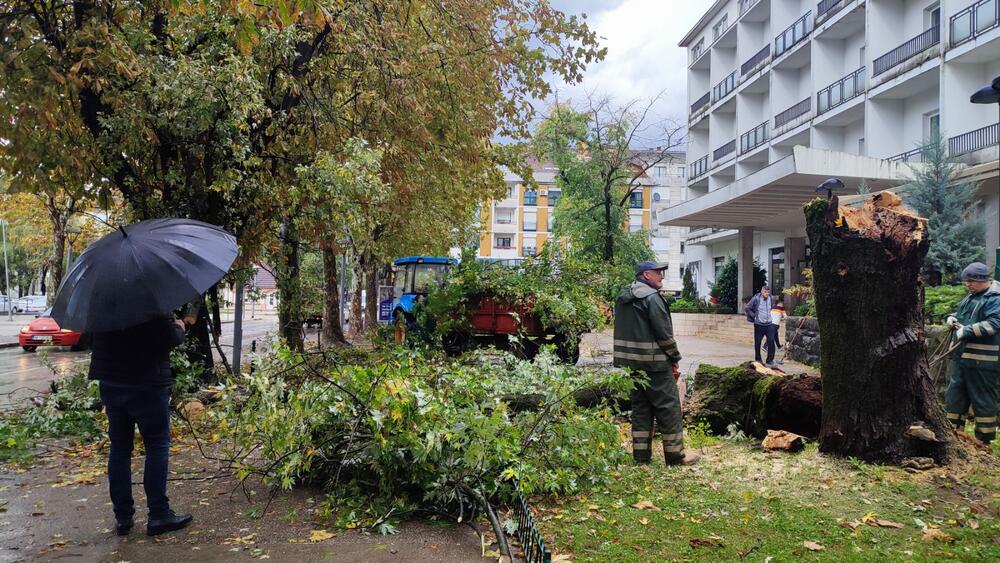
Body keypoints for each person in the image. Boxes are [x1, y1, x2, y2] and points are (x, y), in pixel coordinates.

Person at [89, 316, 194, 536]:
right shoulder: (147, 302)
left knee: (119, 449)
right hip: (146, 384)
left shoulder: (102, 303)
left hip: (111, 383)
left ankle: (123, 517)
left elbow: (93, 340)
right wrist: (178, 328)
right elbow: (166, 337)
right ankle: (158, 514)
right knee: (157, 446)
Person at [614, 261, 700, 466]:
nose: (662, 276)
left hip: (632, 365)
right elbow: (664, 335)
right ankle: (675, 456)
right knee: (668, 408)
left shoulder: (623, 297)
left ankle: (641, 456)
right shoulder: (652, 298)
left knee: (641, 408)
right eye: (658, 272)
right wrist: (674, 358)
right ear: (645, 275)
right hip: (655, 365)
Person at [944, 262, 1000, 444]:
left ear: (983, 280)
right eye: (966, 281)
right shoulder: (972, 296)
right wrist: (954, 318)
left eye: (971, 281)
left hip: (982, 361)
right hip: (961, 358)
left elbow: (994, 324)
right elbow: (967, 317)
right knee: (954, 397)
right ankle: (953, 437)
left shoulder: (995, 298)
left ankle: (984, 442)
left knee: (982, 400)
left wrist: (966, 331)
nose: (967, 284)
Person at [744, 286, 776, 367]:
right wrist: (754, 316)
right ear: (762, 292)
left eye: (768, 292)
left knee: (771, 340)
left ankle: (770, 360)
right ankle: (758, 360)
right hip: (759, 325)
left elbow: (771, 307)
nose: (767, 294)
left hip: (769, 324)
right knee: (757, 343)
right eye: (765, 292)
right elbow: (747, 307)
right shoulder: (756, 299)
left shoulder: (771, 298)